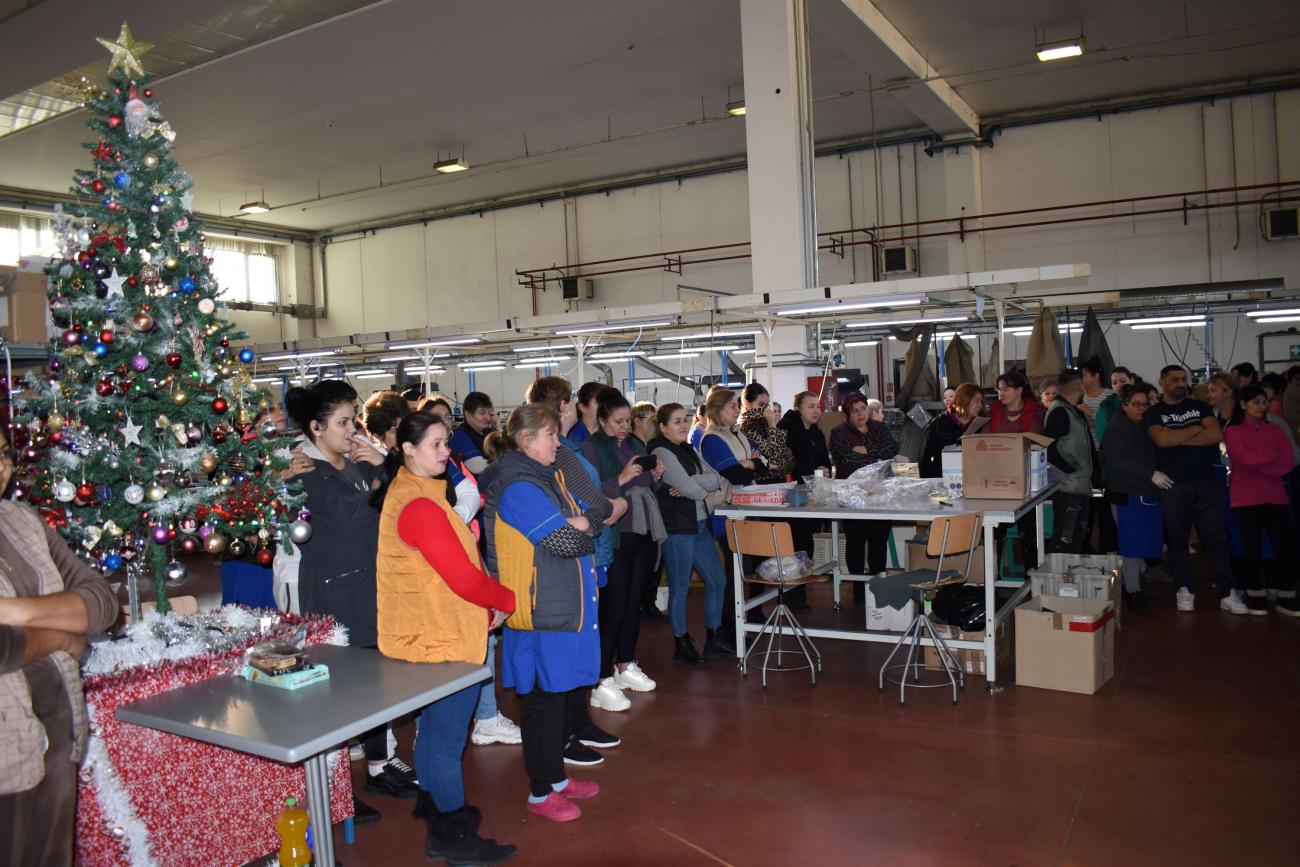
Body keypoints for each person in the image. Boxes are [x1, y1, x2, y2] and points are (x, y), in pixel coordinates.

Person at [375, 413, 517, 863]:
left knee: (435, 738)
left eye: (446, 443)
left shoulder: (418, 493)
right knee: (444, 742)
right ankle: (456, 835)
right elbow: (463, 579)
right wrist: (508, 599)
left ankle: (440, 830)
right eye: (435, 444)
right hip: (439, 641)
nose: (445, 452)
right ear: (407, 449)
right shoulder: (418, 504)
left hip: (433, 633)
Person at [284, 382, 413, 821]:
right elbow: (351, 514)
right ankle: (335, 792)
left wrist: (384, 466)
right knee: (338, 694)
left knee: (373, 684)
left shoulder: (357, 463)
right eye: (343, 422)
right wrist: (382, 480)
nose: (352, 429)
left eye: (353, 419)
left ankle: (379, 766)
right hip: (334, 594)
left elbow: (392, 502)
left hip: (370, 587)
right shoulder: (306, 472)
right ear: (316, 428)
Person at [480, 405, 604, 823]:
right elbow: (566, 542)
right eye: (550, 435)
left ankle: (556, 779)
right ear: (526, 439)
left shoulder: (546, 479)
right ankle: (540, 791)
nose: (558, 442)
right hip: (538, 615)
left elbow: (595, 519)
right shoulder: (519, 488)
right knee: (541, 704)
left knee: (559, 697)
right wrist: (580, 526)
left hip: (556, 606)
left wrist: (581, 524)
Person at [0, 432, 117, 867]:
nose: (0, 467)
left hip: (55, 742)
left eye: (2, 454)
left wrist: (12, 611)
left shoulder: (21, 522)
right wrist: (63, 637)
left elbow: (101, 601)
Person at [523, 377, 624, 762]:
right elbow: (592, 504)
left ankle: (578, 722)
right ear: (566, 406)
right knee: (567, 650)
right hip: (576, 559)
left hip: (589, 553)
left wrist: (595, 516)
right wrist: (613, 507)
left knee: (583, 646)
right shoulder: (562, 454)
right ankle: (566, 733)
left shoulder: (568, 449)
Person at [582, 390, 665, 711]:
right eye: (617, 421)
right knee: (614, 605)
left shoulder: (636, 445)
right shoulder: (590, 449)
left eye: (628, 421)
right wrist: (622, 477)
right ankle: (602, 676)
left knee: (633, 602)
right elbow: (589, 493)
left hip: (642, 530)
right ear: (602, 420)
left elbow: (648, 486)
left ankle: (625, 663)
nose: (624, 427)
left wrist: (654, 477)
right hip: (615, 535)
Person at [1144, 365, 1246, 614]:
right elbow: (1161, 440)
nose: (1180, 383)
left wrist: (1176, 436)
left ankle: (1227, 593)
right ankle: (1185, 590)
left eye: (1183, 379)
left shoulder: (1199, 407)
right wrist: (1194, 430)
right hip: (1173, 486)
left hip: (1205, 483)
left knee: (1216, 540)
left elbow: (1215, 435)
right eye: (1174, 379)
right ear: (1162, 382)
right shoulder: (1154, 412)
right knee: (1178, 541)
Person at [649, 403, 731, 665]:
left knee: (717, 581)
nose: (684, 425)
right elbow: (696, 490)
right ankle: (681, 642)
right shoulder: (660, 451)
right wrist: (693, 485)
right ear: (663, 427)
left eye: (684, 419)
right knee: (680, 587)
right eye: (676, 421)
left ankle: (714, 637)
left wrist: (691, 483)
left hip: (699, 524)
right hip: (677, 528)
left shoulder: (687, 448)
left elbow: (716, 477)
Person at [1223, 385, 1300, 616]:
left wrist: (1265, 466)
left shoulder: (1275, 429)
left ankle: (1286, 594)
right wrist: (1271, 459)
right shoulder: (1233, 430)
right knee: (1251, 546)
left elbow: (1288, 459)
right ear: (1243, 404)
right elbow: (1245, 459)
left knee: (1284, 546)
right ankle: (1254, 592)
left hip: (1275, 494)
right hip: (1245, 497)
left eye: (1264, 401)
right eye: (1255, 402)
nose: (1261, 406)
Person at [699, 388, 764, 645]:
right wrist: (751, 464)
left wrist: (751, 464)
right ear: (717, 410)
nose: (738, 410)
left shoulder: (739, 434)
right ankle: (730, 627)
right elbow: (736, 474)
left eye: (738, 405)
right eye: (732, 406)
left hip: (747, 508)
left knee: (749, 567)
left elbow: (766, 463)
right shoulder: (712, 440)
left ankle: (748, 618)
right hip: (725, 512)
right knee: (734, 571)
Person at [1101, 385, 1172, 615]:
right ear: (1125, 405)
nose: (1142, 408)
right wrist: (1150, 473)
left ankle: (1136, 586)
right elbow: (1118, 461)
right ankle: (1133, 591)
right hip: (1126, 494)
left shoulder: (1144, 426)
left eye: (1145, 404)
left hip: (1146, 493)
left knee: (1142, 544)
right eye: (1136, 404)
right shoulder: (1116, 429)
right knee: (1131, 545)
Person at [829, 392, 898, 606]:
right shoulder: (838, 433)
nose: (860, 414)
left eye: (863, 409)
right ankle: (858, 591)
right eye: (854, 411)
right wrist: (875, 455)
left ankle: (878, 589)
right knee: (856, 544)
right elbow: (848, 459)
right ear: (847, 414)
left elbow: (891, 450)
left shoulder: (879, 427)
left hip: (880, 495)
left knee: (879, 543)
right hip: (853, 497)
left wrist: (865, 450)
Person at [1043, 369, 1099, 553]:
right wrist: (1071, 469)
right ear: (1079, 386)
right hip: (1068, 489)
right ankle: (1056, 572)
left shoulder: (1072, 412)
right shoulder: (1060, 412)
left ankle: (1067, 573)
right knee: (1064, 541)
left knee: (1075, 541)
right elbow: (1048, 448)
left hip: (1077, 486)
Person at [919, 383, 984, 478]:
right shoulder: (939, 423)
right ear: (964, 400)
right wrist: (927, 481)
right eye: (977, 401)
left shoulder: (980, 424)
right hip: (943, 478)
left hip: (972, 478)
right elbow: (925, 457)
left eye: (981, 402)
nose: (980, 405)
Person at [778, 391, 832, 479]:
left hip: (817, 483)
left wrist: (825, 472)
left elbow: (826, 461)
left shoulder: (818, 433)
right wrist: (814, 472)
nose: (816, 411)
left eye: (818, 406)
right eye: (811, 406)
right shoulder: (786, 427)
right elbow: (784, 463)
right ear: (798, 409)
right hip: (793, 484)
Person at [738, 395, 794, 482]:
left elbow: (787, 463)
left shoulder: (770, 427)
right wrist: (772, 426)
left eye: (767, 406)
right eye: (761, 404)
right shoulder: (748, 429)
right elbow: (776, 461)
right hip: (761, 483)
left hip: (777, 481)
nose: (775, 414)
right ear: (747, 403)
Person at [449, 391, 497, 474]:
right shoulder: (459, 436)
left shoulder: (489, 432)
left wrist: (499, 429)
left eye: (489, 413)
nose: (487, 418)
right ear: (468, 415)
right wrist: (505, 462)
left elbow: (509, 452)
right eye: (482, 413)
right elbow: (478, 467)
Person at [1094, 366, 1135, 445]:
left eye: (1122, 381)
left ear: (1132, 381)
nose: (1119, 385)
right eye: (1114, 383)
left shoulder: (1142, 399)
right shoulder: (1106, 405)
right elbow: (1102, 435)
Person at [1079, 356, 1111, 444]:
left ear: (1096, 376)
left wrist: (1090, 413)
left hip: (1107, 446)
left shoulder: (1110, 396)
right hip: (1087, 448)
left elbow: (1112, 424)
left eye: (1084, 375)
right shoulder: (1079, 397)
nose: (1081, 379)